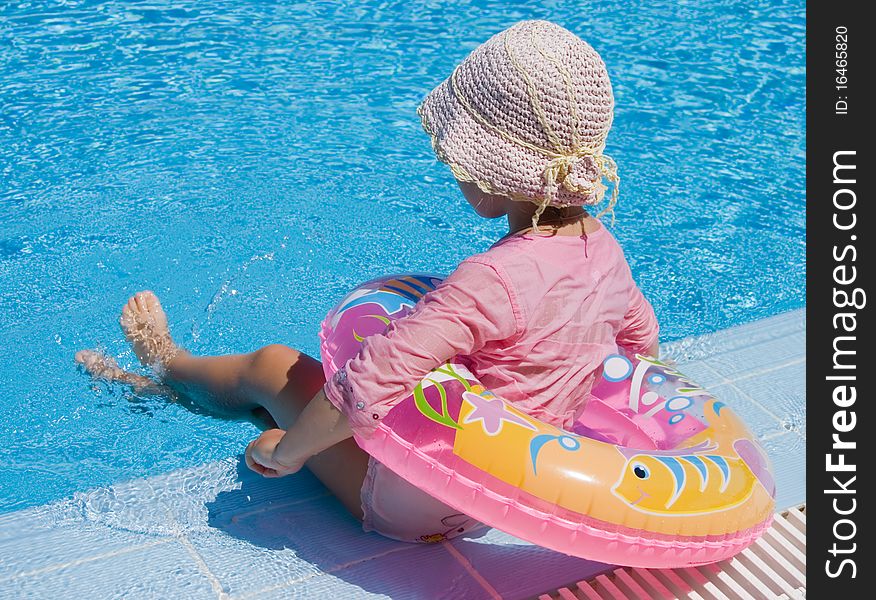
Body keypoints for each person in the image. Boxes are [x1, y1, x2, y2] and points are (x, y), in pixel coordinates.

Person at [77, 20, 659, 544]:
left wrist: (290, 453)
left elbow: (370, 384)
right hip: (505, 498)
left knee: (275, 371)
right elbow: (640, 350)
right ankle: (178, 392)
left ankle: (165, 365)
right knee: (287, 404)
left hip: (418, 499)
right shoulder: (606, 255)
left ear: (491, 167)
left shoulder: (490, 281)